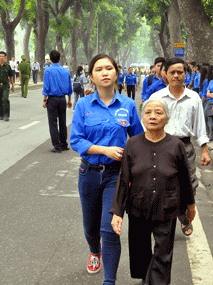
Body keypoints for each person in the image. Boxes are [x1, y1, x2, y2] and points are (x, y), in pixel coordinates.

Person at [70, 54, 144, 284]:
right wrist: (105, 149)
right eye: (99, 69)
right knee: (90, 228)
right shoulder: (84, 105)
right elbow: (76, 140)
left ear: (116, 73)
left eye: (109, 68)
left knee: (109, 228)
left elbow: (138, 138)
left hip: (117, 176)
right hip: (89, 174)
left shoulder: (128, 105)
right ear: (91, 76)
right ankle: (94, 251)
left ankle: (109, 281)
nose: (105, 72)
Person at [110, 99, 195, 285]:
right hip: (137, 207)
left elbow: (185, 179)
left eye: (158, 113)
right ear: (142, 118)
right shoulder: (132, 145)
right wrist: (117, 212)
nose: (153, 116)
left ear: (167, 118)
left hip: (167, 207)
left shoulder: (176, 145)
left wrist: (191, 206)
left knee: (163, 255)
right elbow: (124, 180)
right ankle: (147, 279)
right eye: (148, 113)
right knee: (140, 253)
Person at [149, 57, 211, 236]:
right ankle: (164, 220)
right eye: (172, 72)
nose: (176, 75)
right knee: (161, 184)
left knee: (189, 183)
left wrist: (205, 150)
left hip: (185, 146)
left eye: (180, 72)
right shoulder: (157, 97)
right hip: (160, 144)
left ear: (186, 74)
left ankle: (185, 217)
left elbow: (200, 126)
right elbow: (148, 125)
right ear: (165, 74)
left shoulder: (193, 98)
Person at [42, 50, 73, 153]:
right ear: (60, 58)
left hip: (52, 99)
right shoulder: (66, 71)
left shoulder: (48, 71)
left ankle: (57, 146)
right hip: (62, 99)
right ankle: (64, 144)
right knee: (63, 121)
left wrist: (44, 100)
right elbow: (69, 87)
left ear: (50, 59)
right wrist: (69, 100)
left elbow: (46, 87)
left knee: (53, 123)